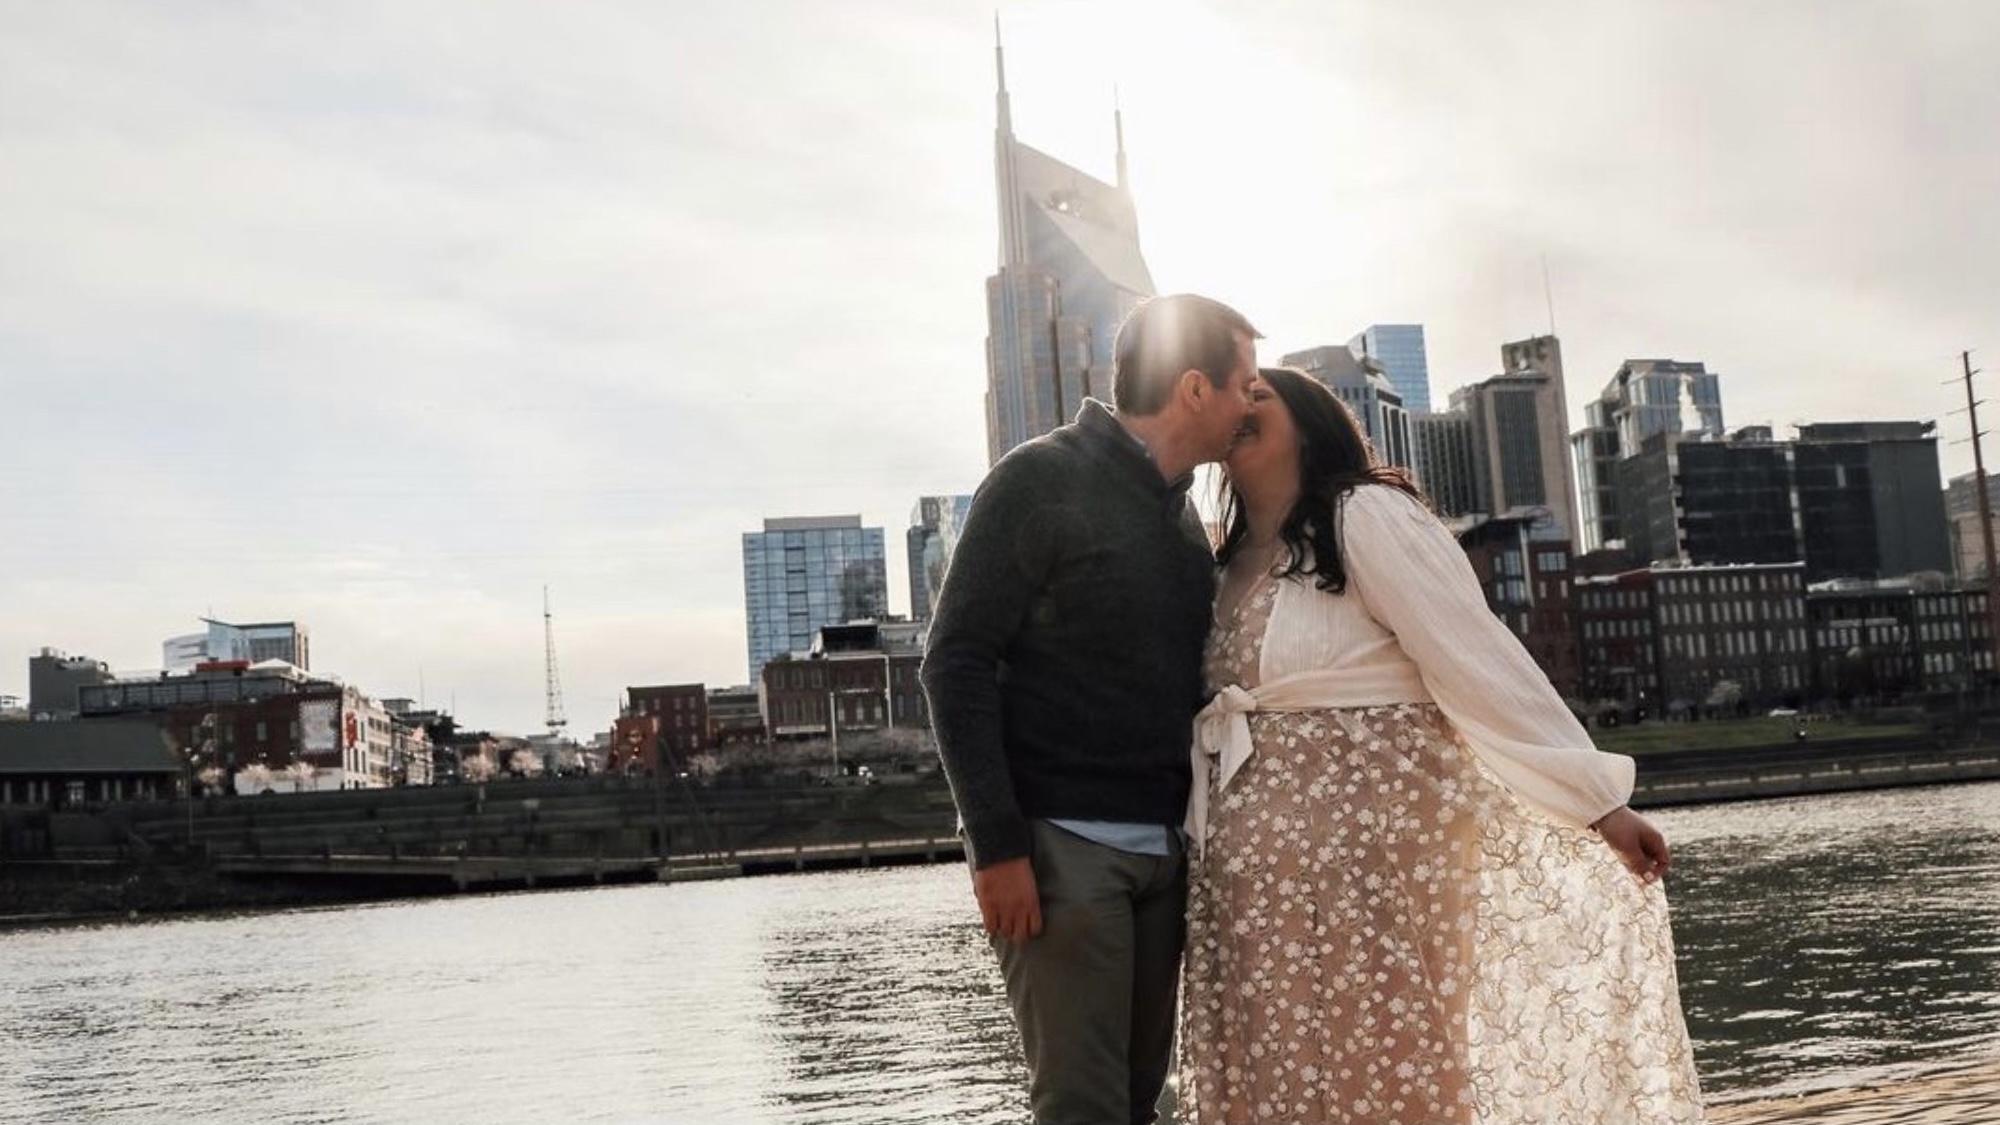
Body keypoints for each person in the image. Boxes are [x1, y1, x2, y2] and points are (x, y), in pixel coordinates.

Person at [1178, 366, 1704, 1124]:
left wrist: (1597, 802)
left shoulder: (1363, 514)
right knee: (1279, 1067)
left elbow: (1472, 653)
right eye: (1236, 395)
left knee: (1390, 1055)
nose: (1243, 405)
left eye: (1262, 395)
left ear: (1312, 425)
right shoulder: (1223, 561)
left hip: (1377, 857)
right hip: (1252, 882)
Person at [921, 293, 1260, 1125]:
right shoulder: (1037, 479)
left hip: (1163, 855)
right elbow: (954, 662)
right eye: (1243, 386)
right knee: (1082, 1107)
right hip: (1060, 852)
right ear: (1194, 388)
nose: (1251, 405)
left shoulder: (1182, 520)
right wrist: (997, 846)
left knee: (1141, 1102)